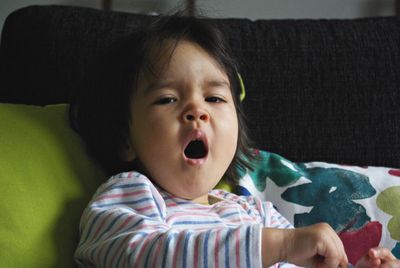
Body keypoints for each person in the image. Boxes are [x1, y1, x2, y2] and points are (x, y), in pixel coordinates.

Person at [70, 13, 400, 268]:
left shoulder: (256, 212)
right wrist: (279, 246)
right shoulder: (128, 195)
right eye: (166, 99)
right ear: (125, 137)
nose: (196, 110)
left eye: (214, 98)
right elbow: (141, 257)